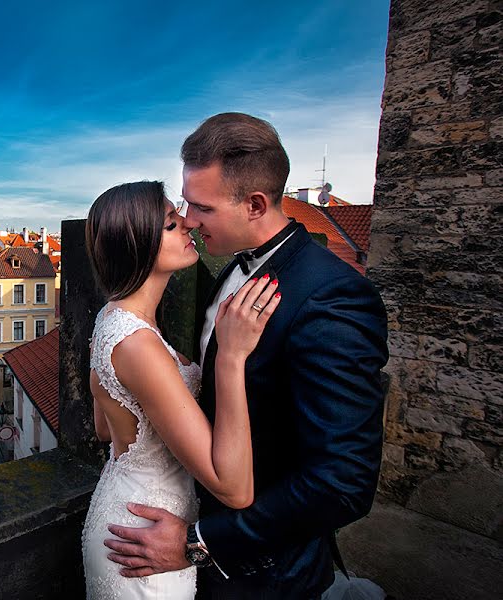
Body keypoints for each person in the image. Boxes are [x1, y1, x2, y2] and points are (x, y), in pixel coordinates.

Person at [100, 114, 388, 599]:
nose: (189, 219)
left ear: (254, 204)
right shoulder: (232, 267)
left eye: (201, 207)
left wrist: (200, 544)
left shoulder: (331, 297)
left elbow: (345, 482)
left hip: (265, 576)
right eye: (185, 206)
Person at [79, 179, 278, 599]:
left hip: (128, 513)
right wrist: (231, 357)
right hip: (144, 542)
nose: (188, 223)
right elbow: (235, 487)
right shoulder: (136, 343)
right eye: (172, 223)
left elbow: (105, 427)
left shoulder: (112, 320)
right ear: (139, 244)